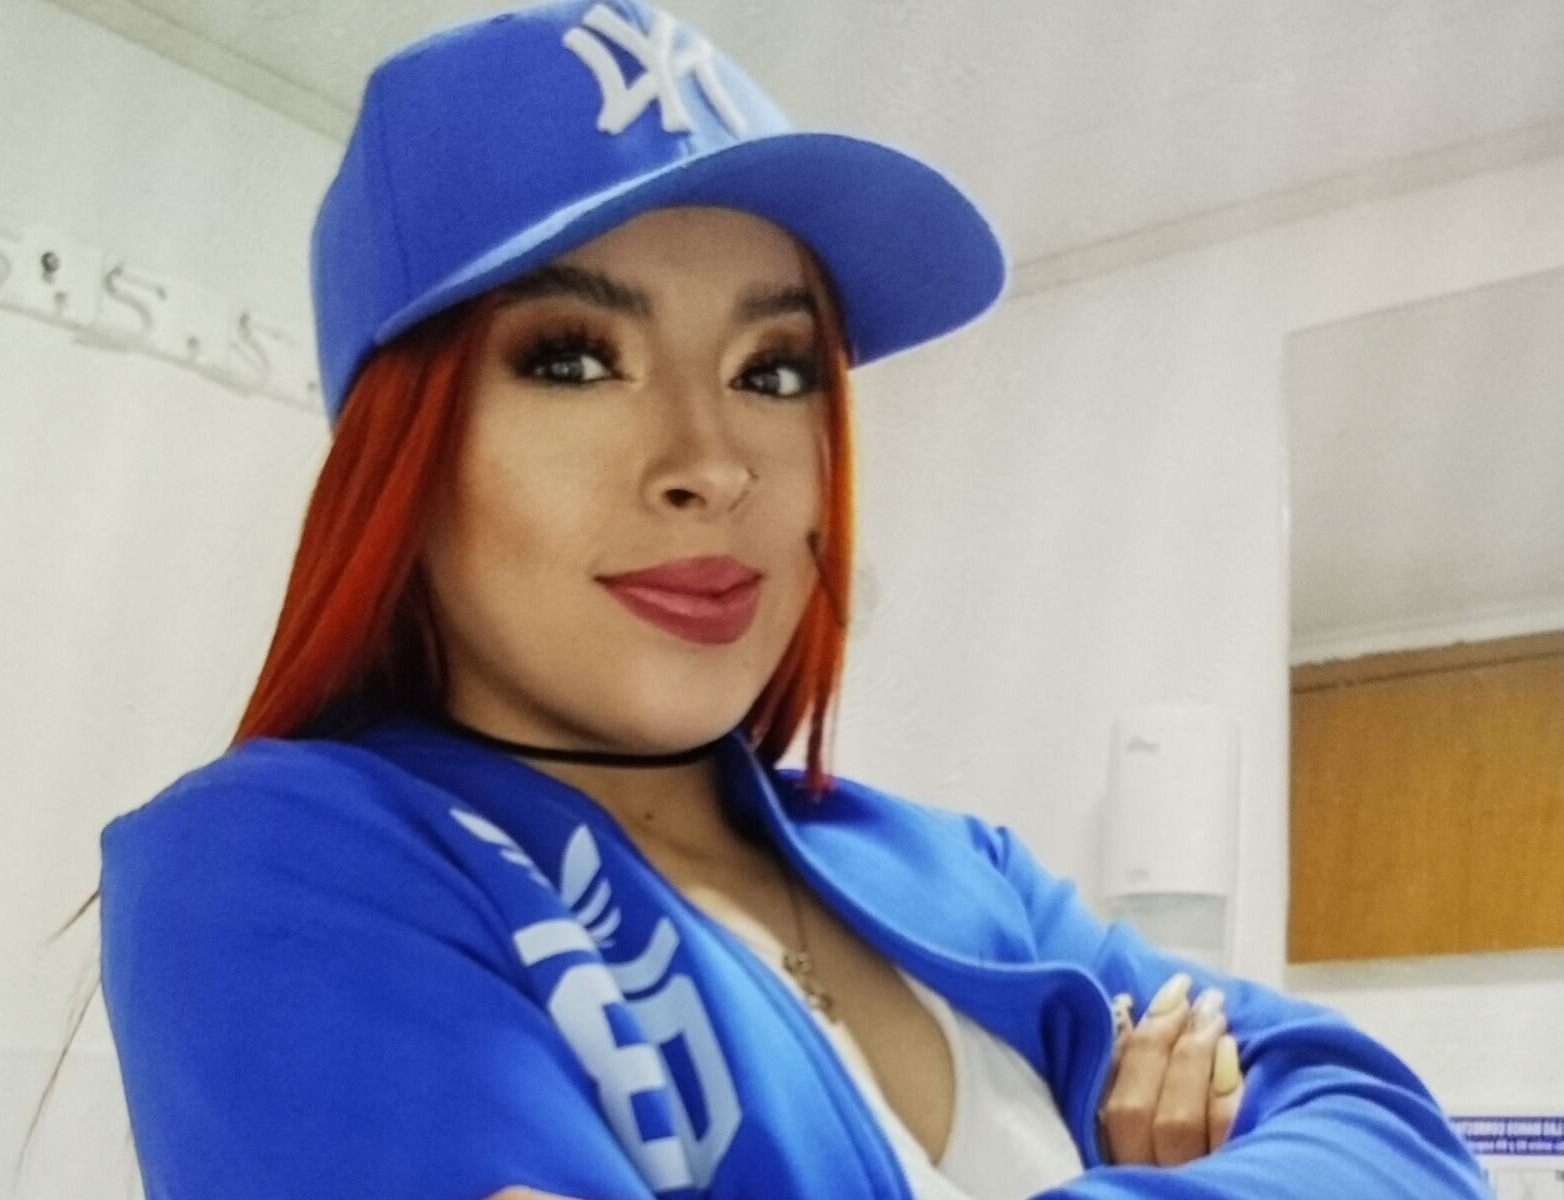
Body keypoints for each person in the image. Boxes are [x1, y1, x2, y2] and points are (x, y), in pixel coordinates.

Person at [93, 3, 1488, 1198]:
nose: (713, 465)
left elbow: (1394, 1133)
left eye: (773, 370)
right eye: (576, 358)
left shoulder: (958, 871)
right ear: (404, 455)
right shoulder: (274, 862)